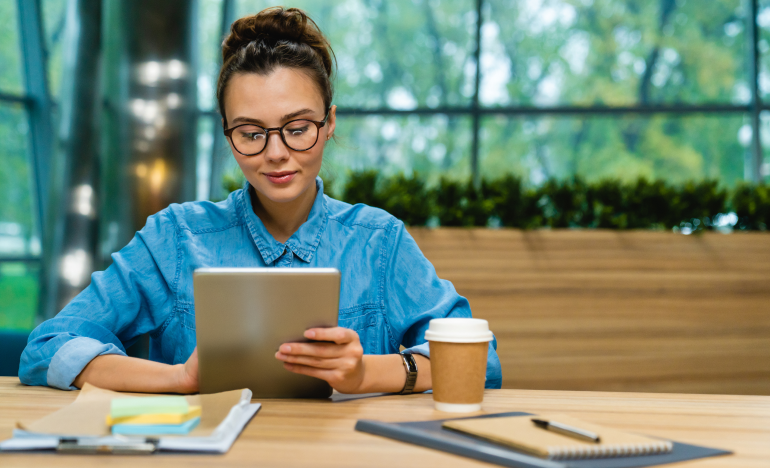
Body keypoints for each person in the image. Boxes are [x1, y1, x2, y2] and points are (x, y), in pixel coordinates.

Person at [19, 7, 502, 394]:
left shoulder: (379, 241)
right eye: (251, 133)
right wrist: (178, 378)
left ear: (329, 122)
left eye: (297, 129)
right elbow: (46, 346)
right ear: (228, 135)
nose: (276, 154)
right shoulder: (174, 237)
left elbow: (480, 360)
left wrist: (366, 374)